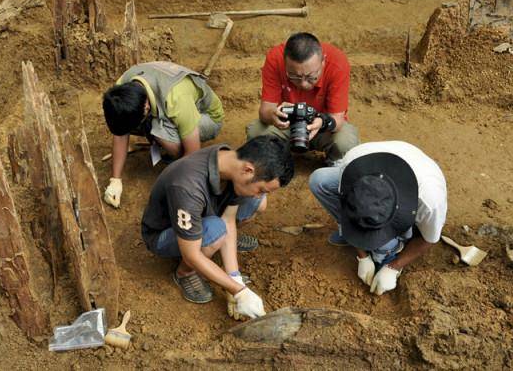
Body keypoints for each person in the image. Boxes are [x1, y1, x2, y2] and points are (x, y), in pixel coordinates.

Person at [141, 135, 294, 319]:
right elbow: (192, 253)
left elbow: (229, 219)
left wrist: (234, 276)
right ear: (248, 170)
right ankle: (184, 273)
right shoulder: (187, 185)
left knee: (255, 203)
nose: (258, 194)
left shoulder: (230, 160)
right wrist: (238, 291)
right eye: (261, 188)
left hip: (203, 214)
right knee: (215, 230)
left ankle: (216, 243)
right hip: (163, 234)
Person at [309, 141, 447, 295]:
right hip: (375, 168)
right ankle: (361, 238)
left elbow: (428, 240)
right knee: (319, 181)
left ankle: (390, 250)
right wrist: (362, 255)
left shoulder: (430, 202)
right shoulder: (353, 166)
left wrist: (393, 267)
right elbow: (346, 207)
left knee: (383, 248)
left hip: (416, 186)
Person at [102, 61, 225, 209]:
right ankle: (163, 137)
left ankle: (174, 154)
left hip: (207, 116)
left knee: (159, 131)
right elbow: (121, 133)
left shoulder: (176, 99)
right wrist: (115, 180)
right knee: (136, 123)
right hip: (167, 105)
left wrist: (171, 183)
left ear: (146, 107)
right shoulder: (123, 86)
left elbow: (193, 153)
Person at [247, 32, 359, 166]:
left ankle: (335, 165)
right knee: (256, 133)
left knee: (345, 143)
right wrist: (274, 115)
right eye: (294, 76)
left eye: (311, 77)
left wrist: (322, 122)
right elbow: (265, 111)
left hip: (322, 127)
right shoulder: (275, 58)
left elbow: (338, 119)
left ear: (323, 62)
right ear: (285, 62)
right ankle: (275, 161)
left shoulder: (337, 63)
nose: (303, 84)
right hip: (287, 124)